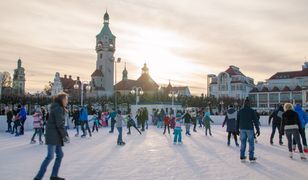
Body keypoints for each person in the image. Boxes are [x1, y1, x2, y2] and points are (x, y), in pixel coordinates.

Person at [34, 92, 69, 180]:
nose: (67, 101)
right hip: (53, 135)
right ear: (62, 100)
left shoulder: (57, 107)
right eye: (66, 99)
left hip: (55, 135)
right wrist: (65, 135)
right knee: (50, 156)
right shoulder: (58, 109)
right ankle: (38, 177)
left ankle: (54, 175)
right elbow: (59, 124)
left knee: (60, 155)